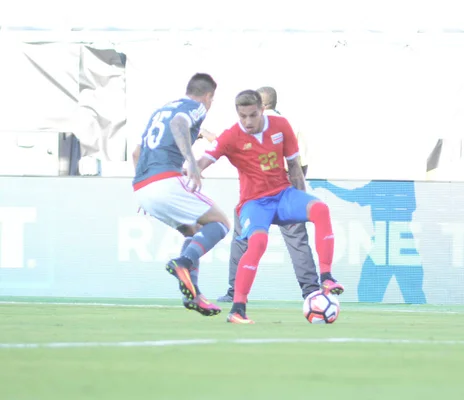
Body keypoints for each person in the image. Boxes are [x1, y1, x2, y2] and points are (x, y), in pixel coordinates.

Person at [196, 89, 344, 324]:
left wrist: (300, 201)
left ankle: (326, 277)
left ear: (262, 110)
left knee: (320, 209)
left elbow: (294, 165)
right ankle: (238, 308)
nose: (247, 122)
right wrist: (188, 174)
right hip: (253, 203)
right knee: (258, 242)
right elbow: (204, 161)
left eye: (252, 115)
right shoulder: (231, 135)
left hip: (284, 195)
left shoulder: (281, 125)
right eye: (242, 116)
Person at [131, 72, 229, 317]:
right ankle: (182, 263)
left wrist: (144, 185)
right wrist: (192, 163)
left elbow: (136, 152)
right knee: (220, 223)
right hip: (165, 181)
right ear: (208, 96)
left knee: (194, 232)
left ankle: (193, 296)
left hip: (143, 186)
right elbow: (179, 125)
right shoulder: (196, 106)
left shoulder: (161, 110)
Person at [215, 86, 319, 303]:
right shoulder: (290, 125)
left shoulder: (244, 128)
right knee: (298, 242)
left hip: (255, 197)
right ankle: (311, 292)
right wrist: (300, 196)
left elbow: (223, 147)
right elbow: (301, 164)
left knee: (242, 240)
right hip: (286, 192)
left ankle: (234, 292)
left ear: (261, 106)